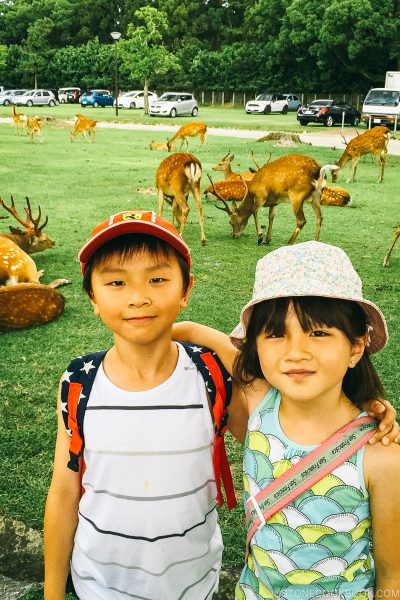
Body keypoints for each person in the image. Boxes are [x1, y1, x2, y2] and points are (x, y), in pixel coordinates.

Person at [173, 241, 400, 598]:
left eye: (319, 333)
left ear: (356, 347)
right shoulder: (258, 398)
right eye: (276, 334)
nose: (296, 352)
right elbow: (193, 332)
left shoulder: (382, 457)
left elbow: (392, 580)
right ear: (255, 346)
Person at [43, 209, 245, 600]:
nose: (138, 296)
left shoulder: (210, 375)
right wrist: (53, 592)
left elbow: (280, 421)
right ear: (93, 299)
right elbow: (64, 492)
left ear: (186, 290)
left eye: (158, 279)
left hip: (192, 584)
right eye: (116, 282)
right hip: (99, 586)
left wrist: (195, 331)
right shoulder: (78, 381)